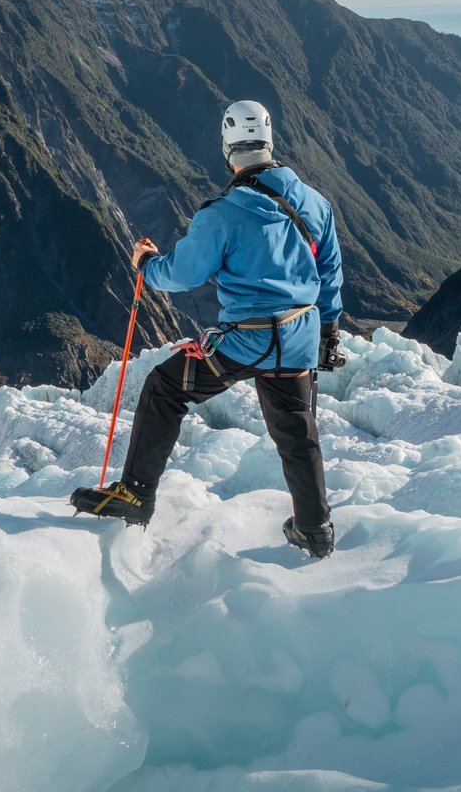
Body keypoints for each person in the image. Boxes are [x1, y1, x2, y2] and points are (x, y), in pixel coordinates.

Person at [72, 99, 346, 558]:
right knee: (297, 431)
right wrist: (329, 331)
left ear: (228, 149)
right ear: (270, 141)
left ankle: (136, 494)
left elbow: (183, 273)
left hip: (246, 339)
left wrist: (148, 264)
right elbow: (331, 272)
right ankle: (314, 529)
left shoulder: (222, 212)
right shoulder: (314, 202)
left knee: (165, 388)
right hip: (300, 334)